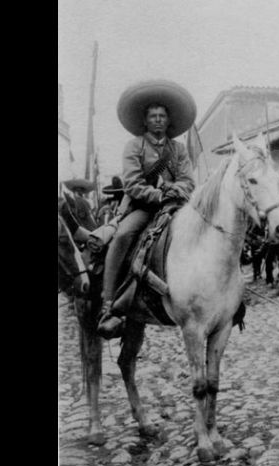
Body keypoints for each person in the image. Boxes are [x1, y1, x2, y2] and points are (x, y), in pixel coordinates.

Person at [97, 80, 197, 339]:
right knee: (121, 237)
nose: (158, 120)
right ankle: (109, 304)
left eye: (162, 116)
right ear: (145, 121)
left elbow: (188, 180)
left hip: (176, 206)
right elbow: (132, 183)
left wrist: (179, 190)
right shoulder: (134, 146)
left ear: (168, 120)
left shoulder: (178, 148)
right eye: (153, 116)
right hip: (143, 208)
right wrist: (160, 194)